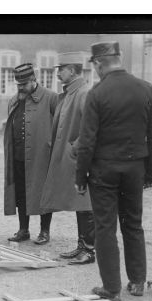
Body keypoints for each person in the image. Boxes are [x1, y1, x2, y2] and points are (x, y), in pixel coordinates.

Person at [76, 41, 152, 301]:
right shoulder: (146, 89)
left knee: (105, 227)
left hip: (103, 170)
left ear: (99, 63)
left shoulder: (97, 93)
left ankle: (111, 288)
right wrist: (151, 173)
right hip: (135, 168)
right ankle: (137, 282)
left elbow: (87, 141)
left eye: (95, 66)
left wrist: (80, 177)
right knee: (133, 224)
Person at [39, 52, 95, 264]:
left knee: (85, 202)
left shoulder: (83, 93)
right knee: (78, 201)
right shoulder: (71, 93)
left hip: (79, 159)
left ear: (72, 70)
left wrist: (74, 148)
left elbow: (91, 129)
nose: (57, 72)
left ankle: (89, 250)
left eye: (60, 69)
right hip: (71, 158)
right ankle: (82, 245)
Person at [3, 63, 58, 245]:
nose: (20, 88)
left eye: (24, 85)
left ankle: (44, 231)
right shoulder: (14, 101)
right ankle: (23, 229)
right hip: (18, 157)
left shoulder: (51, 98)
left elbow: (59, 126)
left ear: (34, 81)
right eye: (18, 85)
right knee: (21, 194)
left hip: (41, 157)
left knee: (44, 194)